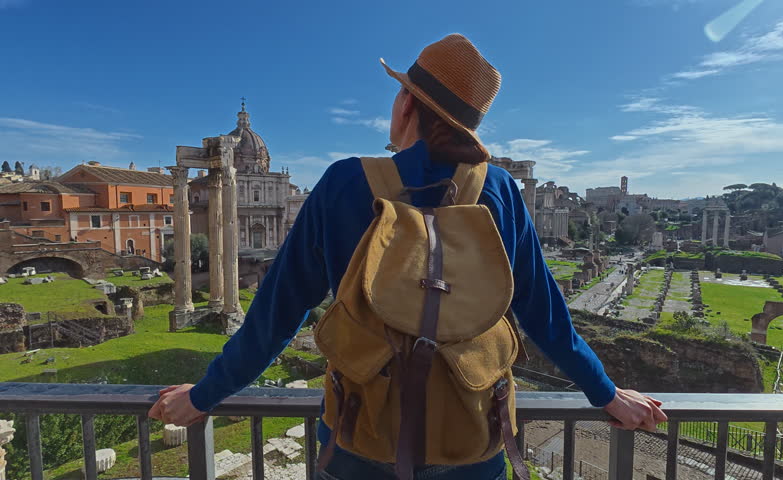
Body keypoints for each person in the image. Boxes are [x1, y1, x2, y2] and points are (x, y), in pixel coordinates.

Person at [148, 33, 666, 479]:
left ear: (409, 104)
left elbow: (276, 315)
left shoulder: (345, 183)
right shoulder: (501, 190)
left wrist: (203, 396)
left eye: (400, 92)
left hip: (359, 441)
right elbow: (546, 317)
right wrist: (606, 394)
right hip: (471, 439)